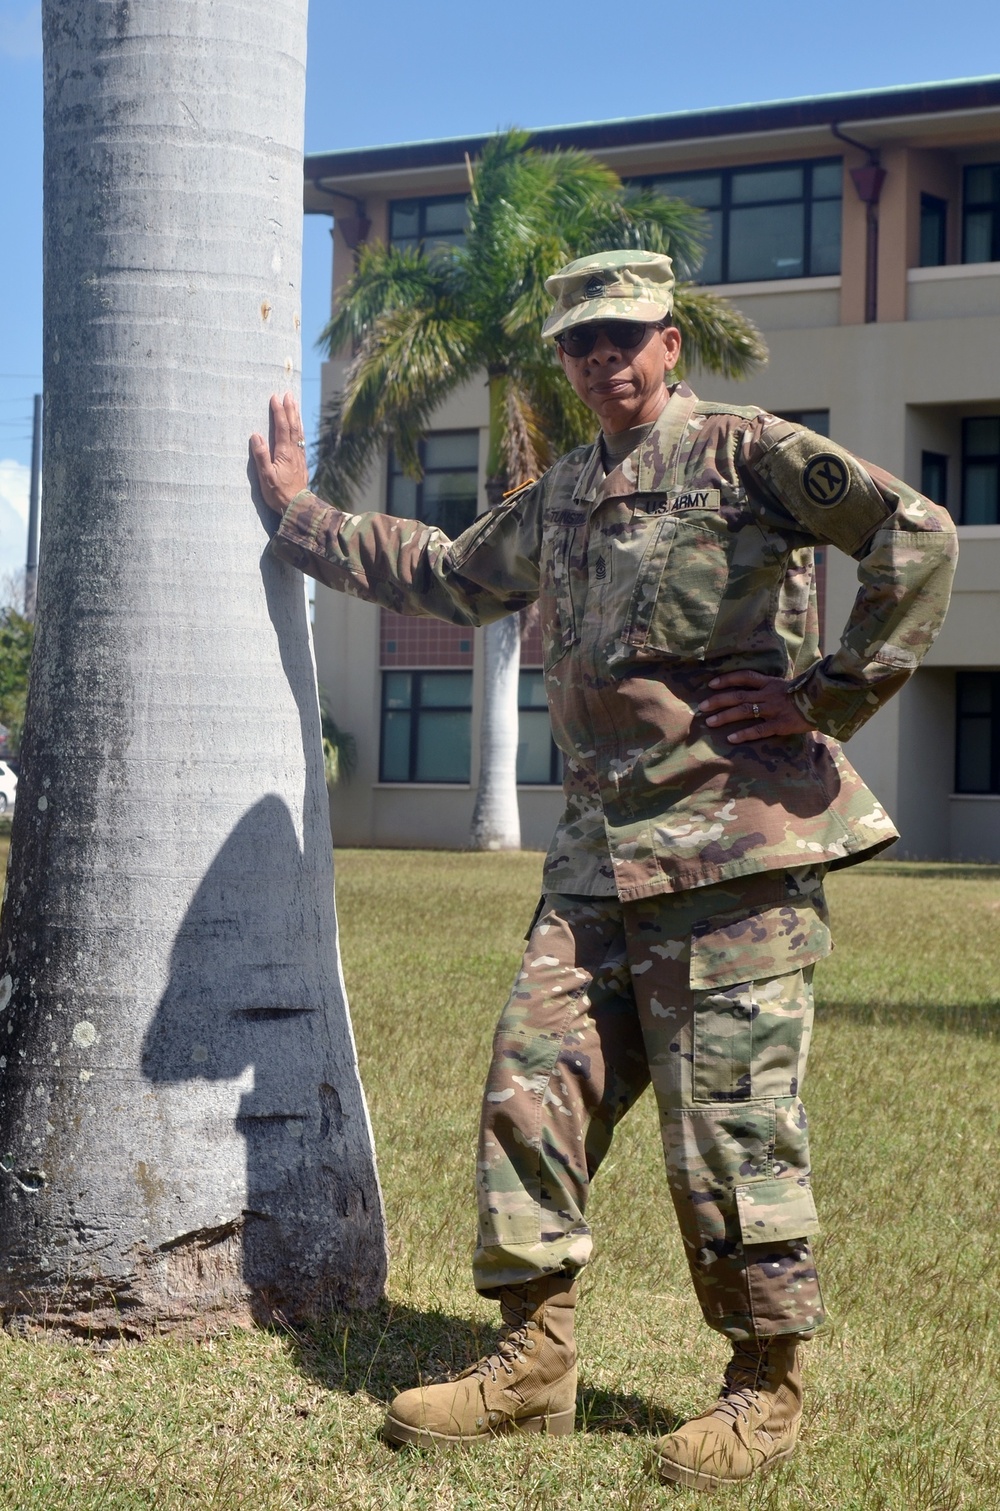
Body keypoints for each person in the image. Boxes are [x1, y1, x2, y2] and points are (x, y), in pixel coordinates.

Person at [250, 249, 957, 1489]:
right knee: (530, 1095)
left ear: (669, 339)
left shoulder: (746, 454)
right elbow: (449, 574)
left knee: (732, 1132)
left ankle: (765, 1387)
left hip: (736, 853)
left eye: (625, 335)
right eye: (581, 344)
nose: (604, 359)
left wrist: (824, 698)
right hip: (595, 866)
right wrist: (297, 515)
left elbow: (916, 534)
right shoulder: (564, 491)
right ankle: (531, 1362)